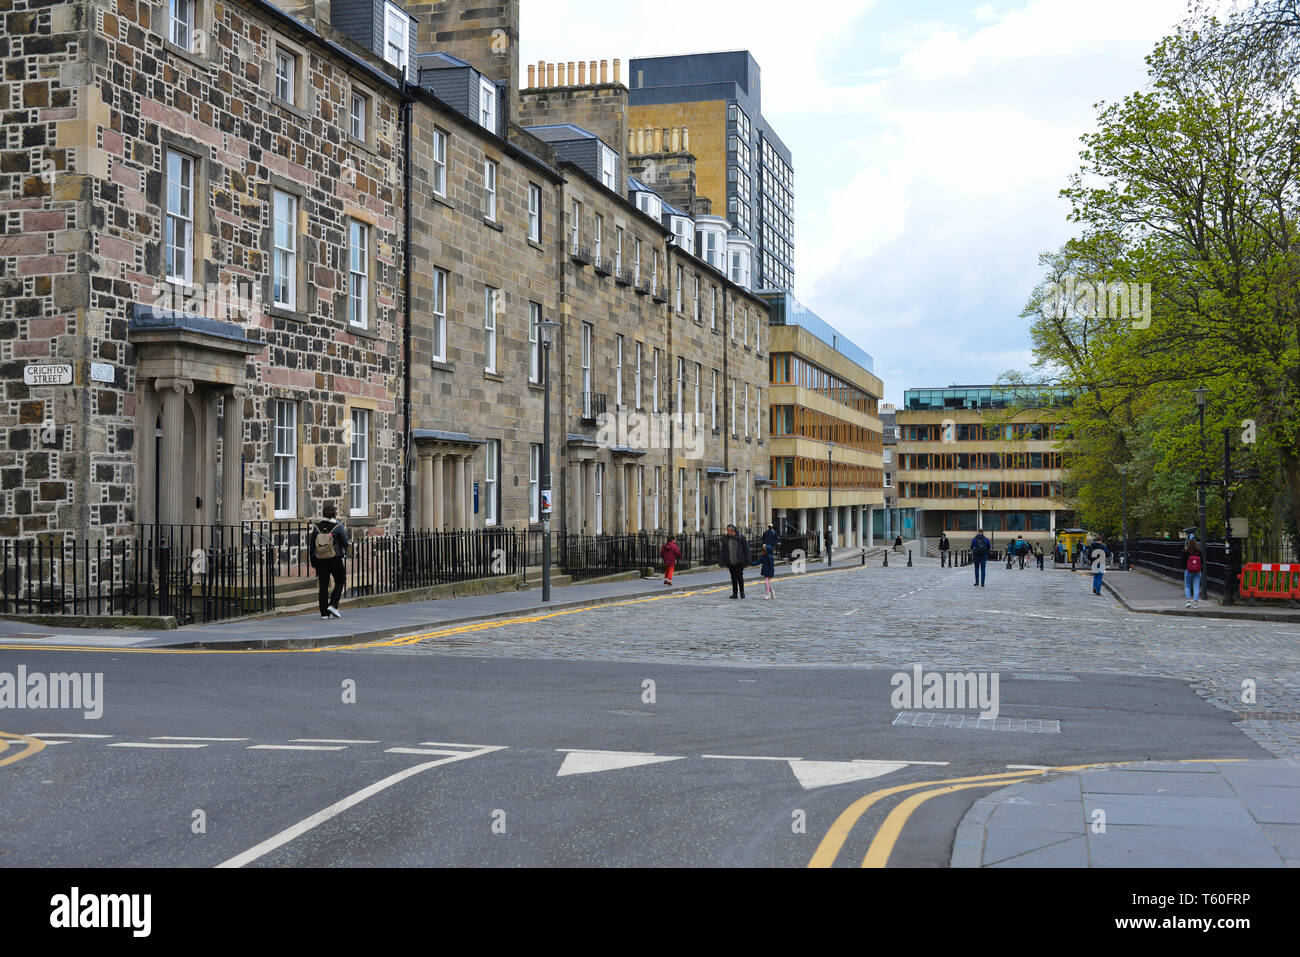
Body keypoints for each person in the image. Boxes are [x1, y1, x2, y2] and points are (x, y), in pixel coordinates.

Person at [310, 503, 350, 620]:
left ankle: (324, 613)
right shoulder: (338, 526)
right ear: (334, 514)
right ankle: (333, 605)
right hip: (334, 558)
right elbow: (345, 543)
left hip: (320, 559)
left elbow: (312, 545)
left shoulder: (317, 527)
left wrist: (313, 561)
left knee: (323, 586)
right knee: (341, 580)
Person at [719, 524, 750, 599]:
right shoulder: (726, 538)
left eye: (728, 530)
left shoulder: (741, 538)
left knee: (740, 577)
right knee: (733, 578)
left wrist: (748, 561)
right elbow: (723, 551)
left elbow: (746, 550)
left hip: (739, 561)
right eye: (727, 530)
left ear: (732, 530)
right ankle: (734, 593)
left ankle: (742, 592)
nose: (727, 532)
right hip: (730, 562)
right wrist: (721, 562)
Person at [1182, 537, 1203, 609]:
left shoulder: (1185, 551)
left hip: (1188, 571)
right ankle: (1195, 603)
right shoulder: (1199, 552)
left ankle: (1188, 602)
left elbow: (1182, 561)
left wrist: (1185, 568)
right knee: (1196, 587)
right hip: (1197, 571)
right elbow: (1202, 562)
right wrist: (1200, 570)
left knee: (1187, 586)